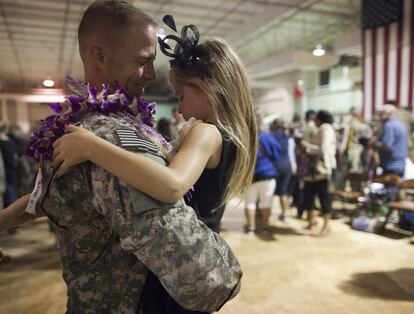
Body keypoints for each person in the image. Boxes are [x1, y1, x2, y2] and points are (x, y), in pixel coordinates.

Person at [0, 1, 244, 313]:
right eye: (143, 61)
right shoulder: (104, 134)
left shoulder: (90, 134)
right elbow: (48, 195)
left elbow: (44, 197)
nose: (152, 74)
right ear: (99, 55)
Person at [301, 110, 337, 236]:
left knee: (324, 198)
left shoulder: (326, 128)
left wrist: (308, 147)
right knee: (310, 195)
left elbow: (324, 149)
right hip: (314, 170)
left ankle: (326, 226)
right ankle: (312, 221)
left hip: (322, 169)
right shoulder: (322, 128)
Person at [244, 112, 278, 234]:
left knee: (250, 202)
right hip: (267, 173)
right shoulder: (268, 137)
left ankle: (251, 228)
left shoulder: (245, 138)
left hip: (250, 175)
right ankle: (264, 227)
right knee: (266, 203)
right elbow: (276, 154)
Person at [372, 104, 408, 177]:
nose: (379, 116)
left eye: (381, 113)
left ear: (386, 113)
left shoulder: (389, 125)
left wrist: (374, 143)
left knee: (390, 188)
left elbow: (387, 146)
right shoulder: (400, 124)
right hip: (399, 164)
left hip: (391, 165)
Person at [270, 118, 292, 221]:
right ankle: (285, 213)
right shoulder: (285, 136)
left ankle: (266, 214)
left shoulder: (271, 135)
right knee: (284, 191)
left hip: (275, 166)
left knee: (270, 191)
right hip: (287, 165)